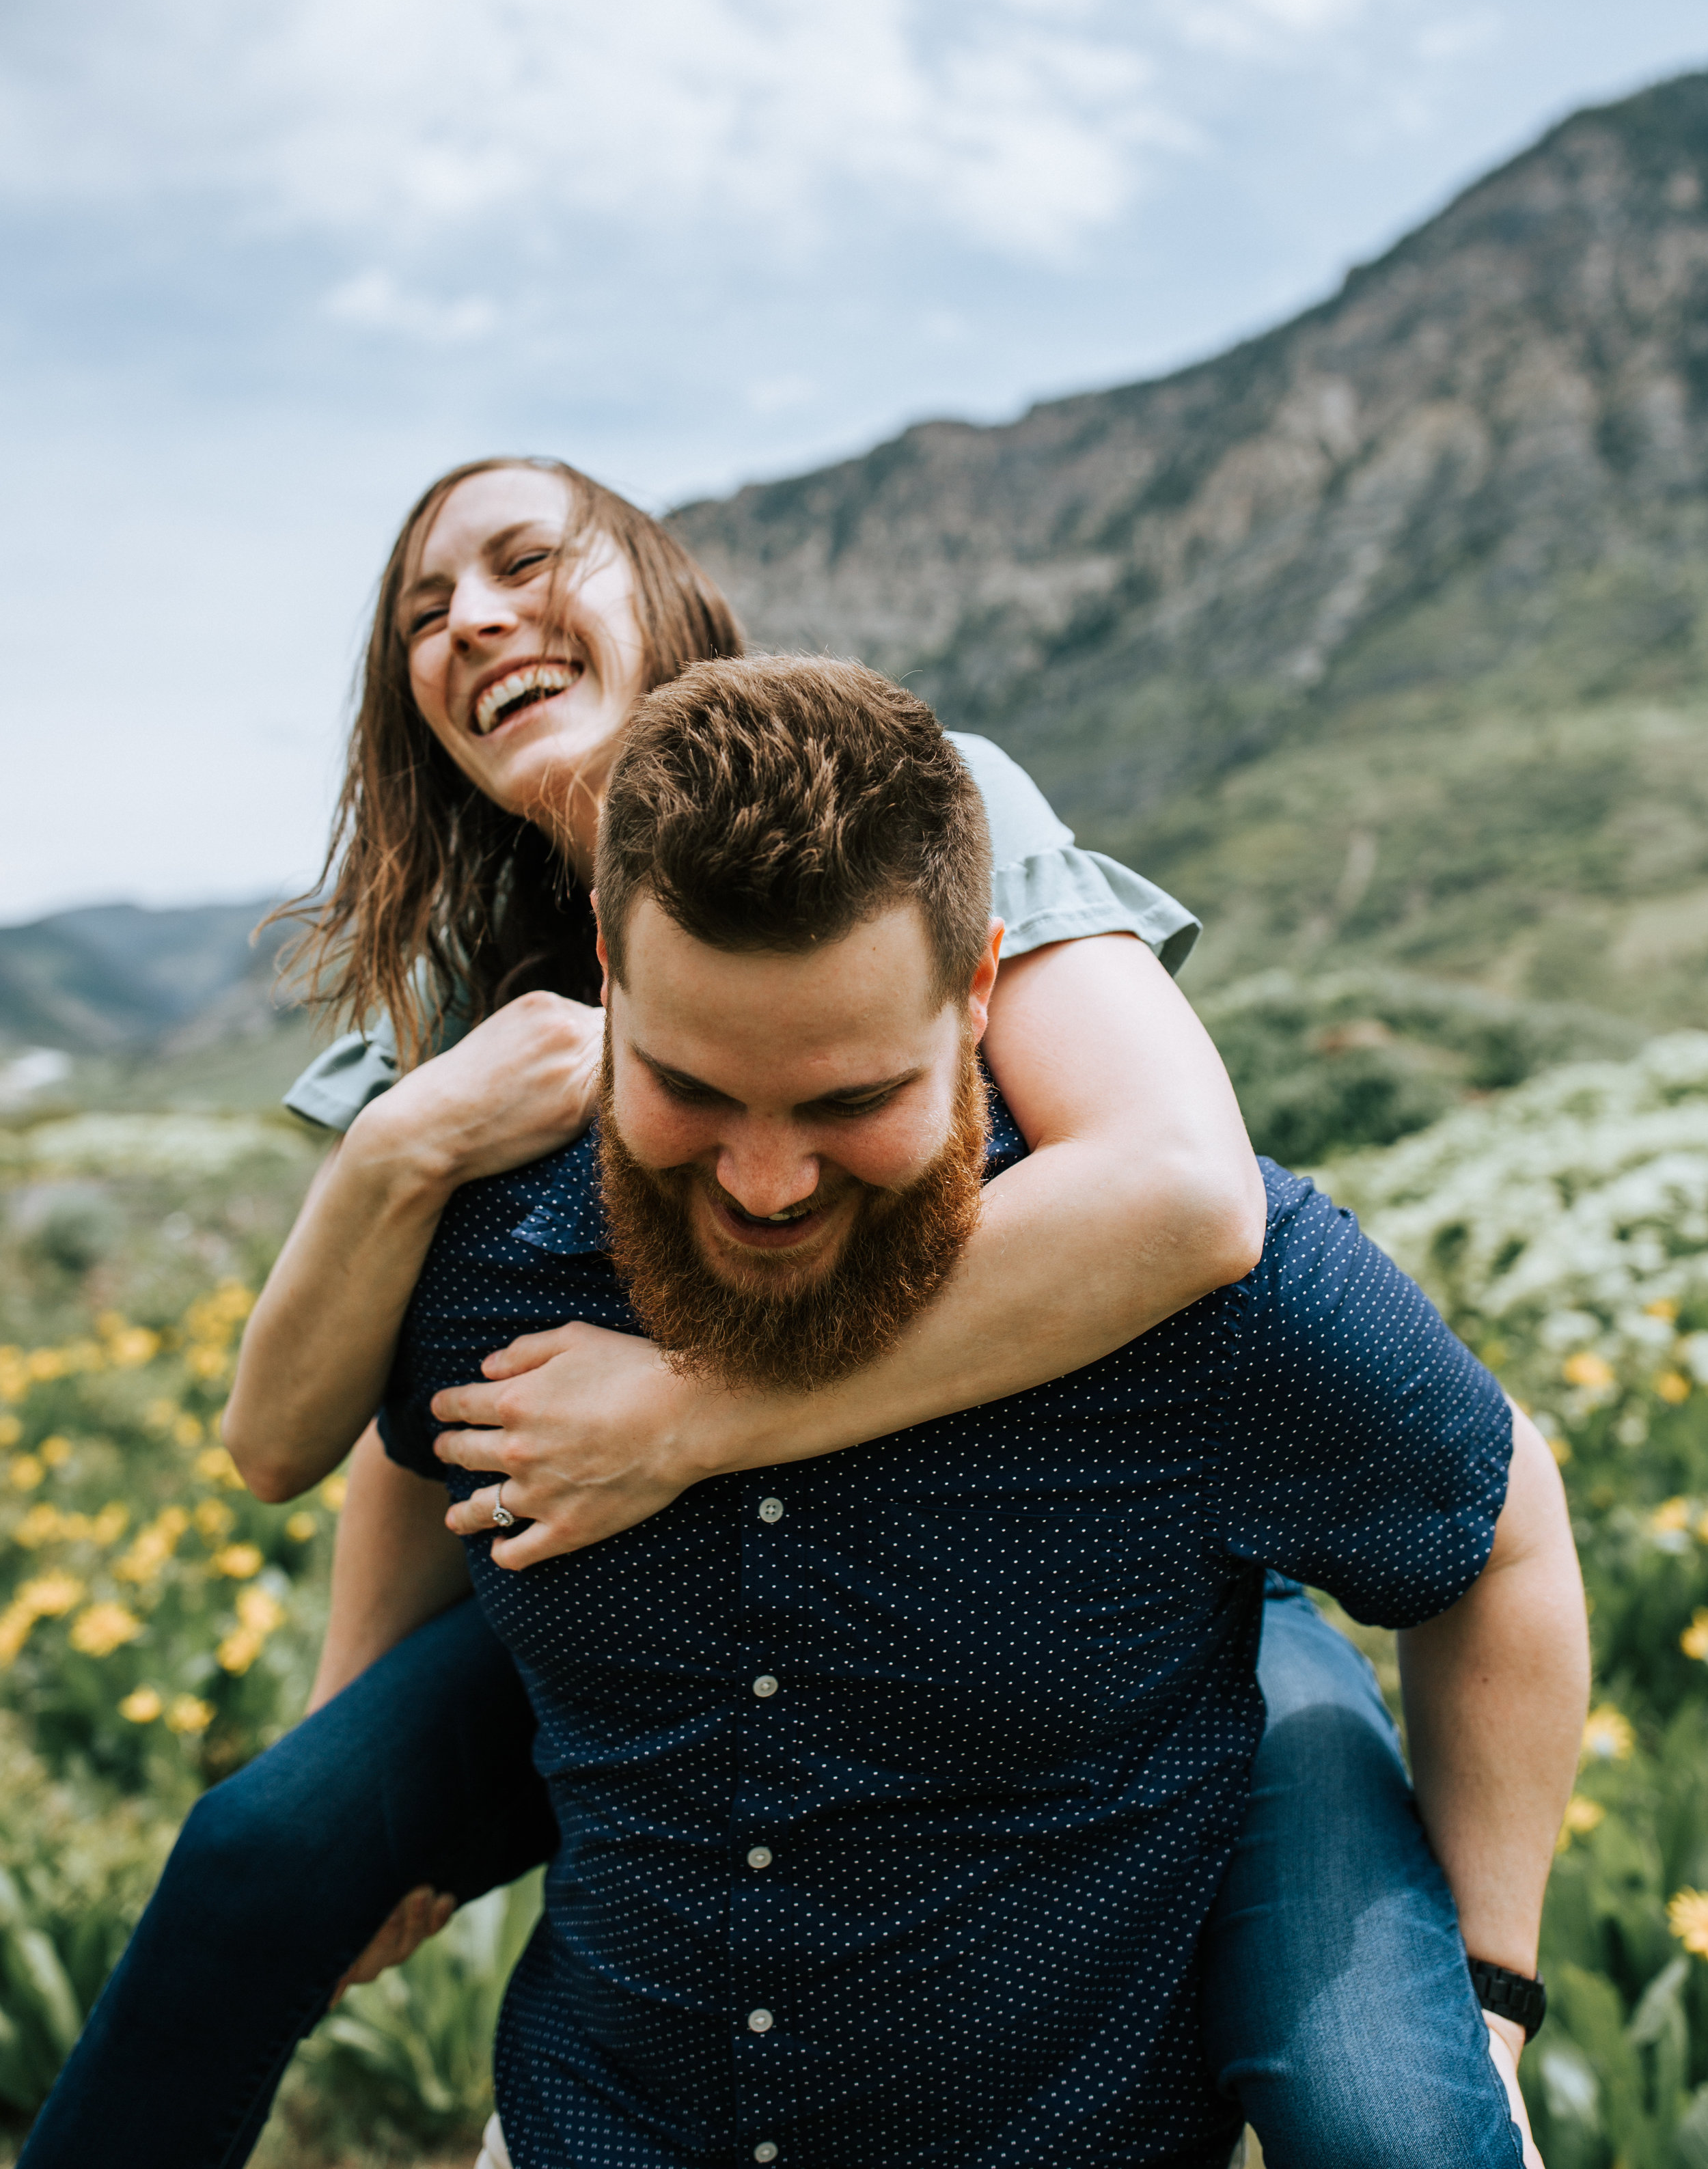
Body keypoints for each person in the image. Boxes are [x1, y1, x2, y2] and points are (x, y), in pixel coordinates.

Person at [14, 463, 1552, 2168]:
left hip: (1098, 1538)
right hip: (645, 1569)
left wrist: (689, 1412)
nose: (474, 620)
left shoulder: (901, 799)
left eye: (528, 562)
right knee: (265, 1851)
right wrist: (405, 1147)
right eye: (423, 612)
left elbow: (1181, 1199)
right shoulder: (465, 992)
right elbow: (387, 1417)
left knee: (1390, 2105)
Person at [372, 654, 1587, 2169]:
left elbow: (1499, 1531)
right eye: (692, 1088)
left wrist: (1481, 1999)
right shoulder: (490, 1268)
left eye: (842, 1102)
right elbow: (367, 1459)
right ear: (609, 965)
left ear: (980, 985)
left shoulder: (1205, 1315)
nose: (763, 1184)